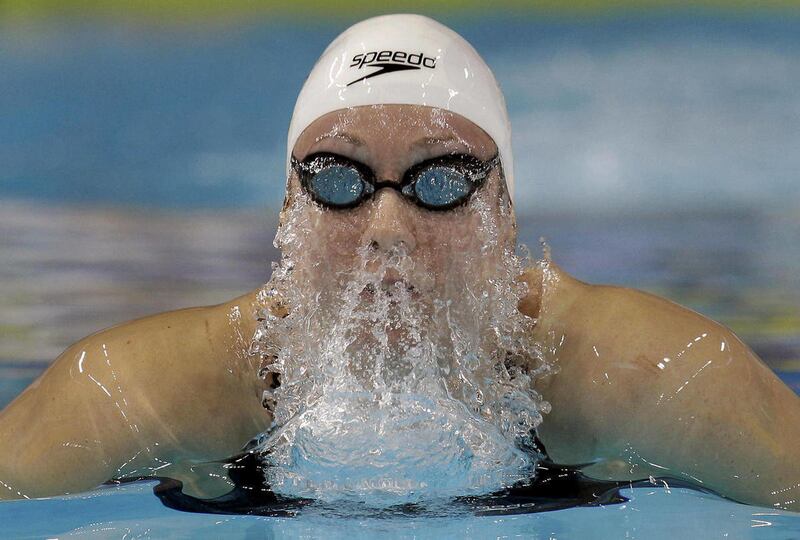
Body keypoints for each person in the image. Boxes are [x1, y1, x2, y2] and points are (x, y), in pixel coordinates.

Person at [1, 14, 798, 511]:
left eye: (441, 180)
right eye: (338, 180)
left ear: (504, 215)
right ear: (288, 212)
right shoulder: (141, 391)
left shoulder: (649, 378)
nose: (386, 227)